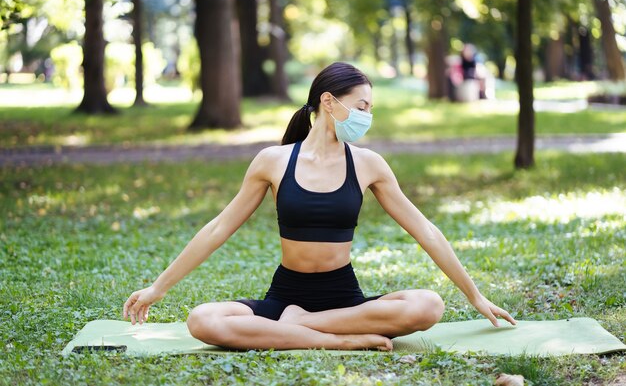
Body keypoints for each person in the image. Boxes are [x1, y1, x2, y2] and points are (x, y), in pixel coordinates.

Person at [123, 62, 516, 351]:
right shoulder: (272, 162)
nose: (367, 116)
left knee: (428, 305)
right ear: (329, 102)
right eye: (361, 106)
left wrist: (475, 296)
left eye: (369, 108)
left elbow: (425, 229)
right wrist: (158, 288)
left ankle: (305, 326)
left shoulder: (368, 164)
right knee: (201, 320)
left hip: (344, 298)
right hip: (284, 296)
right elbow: (218, 228)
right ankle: (342, 342)